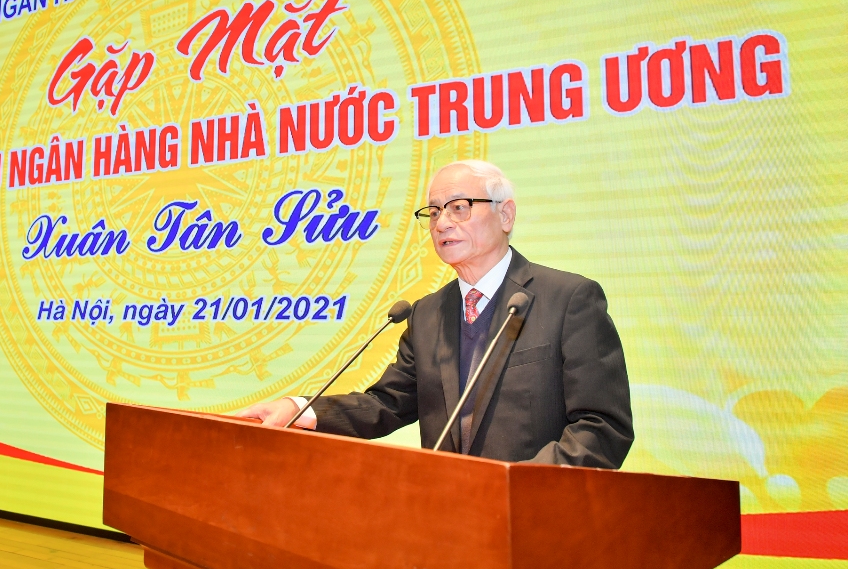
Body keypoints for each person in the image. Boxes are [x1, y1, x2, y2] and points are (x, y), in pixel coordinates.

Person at [238, 160, 633, 467]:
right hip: (446, 516)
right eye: (434, 212)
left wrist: (520, 486)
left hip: (536, 519)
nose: (442, 223)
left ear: (506, 215)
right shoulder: (426, 315)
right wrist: (300, 409)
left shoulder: (568, 299)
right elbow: (387, 404)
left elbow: (602, 426)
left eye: (459, 208)